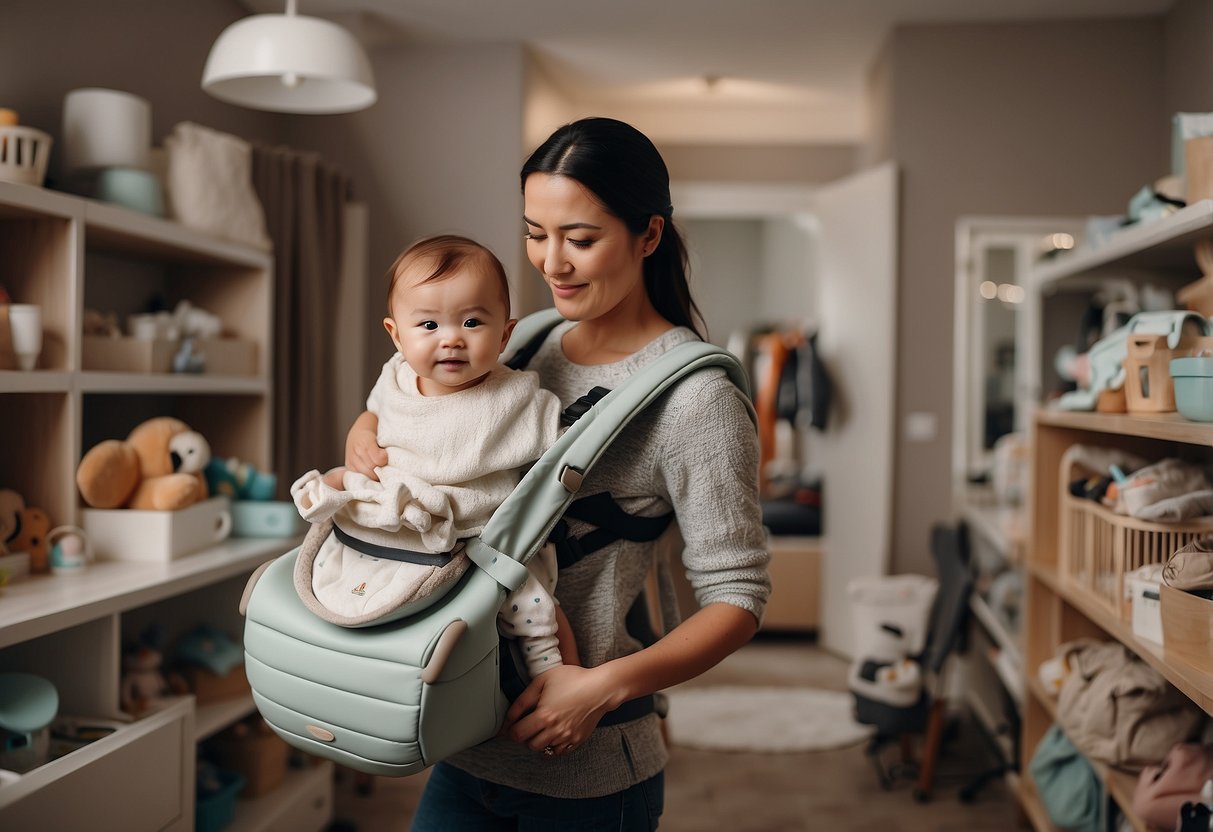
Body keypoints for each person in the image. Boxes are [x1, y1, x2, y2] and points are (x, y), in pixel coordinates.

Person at [346, 118, 770, 830]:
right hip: (463, 737)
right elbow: (420, 418)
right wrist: (365, 431)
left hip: (588, 769)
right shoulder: (522, 340)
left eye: (579, 239)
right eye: (534, 233)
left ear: (648, 235)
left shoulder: (695, 401)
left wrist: (601, 688)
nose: (551, 263)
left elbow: (738, 597)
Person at [293, 234, 575, 676]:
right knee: (334, 497)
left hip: (470, 533)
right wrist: (360, 431)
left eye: (472, 323)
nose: (451, 341)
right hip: (388, 515)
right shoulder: (397, 377)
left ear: (504, 334)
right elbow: (374, 412)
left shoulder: (515, 398)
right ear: (397, 335)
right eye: (428, 326)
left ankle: (553, 671)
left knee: (531, 601)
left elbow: (559, 453)